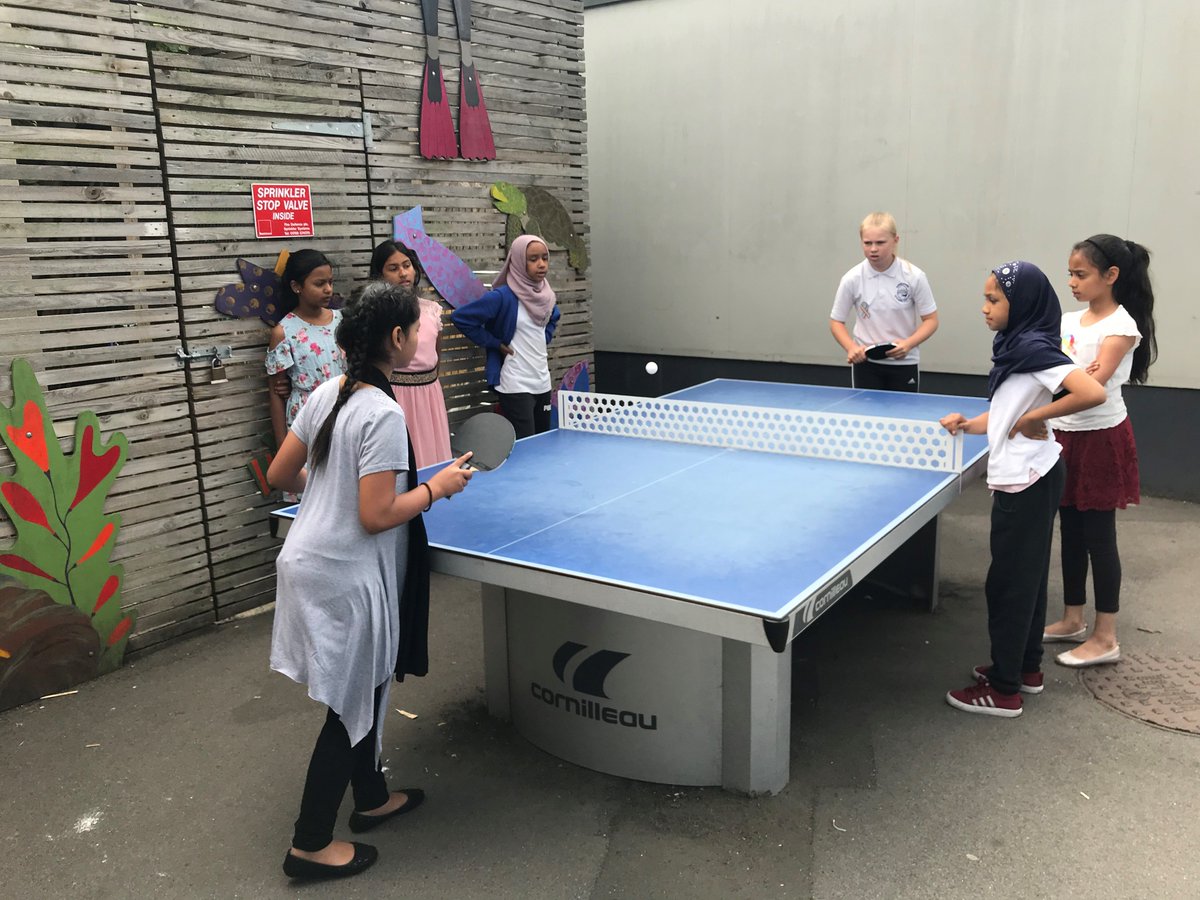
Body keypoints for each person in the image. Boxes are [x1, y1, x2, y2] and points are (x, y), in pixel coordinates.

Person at [266, 282, 473, 880]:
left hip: (308, 559)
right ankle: (309, 845)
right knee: (349, 702)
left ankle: (373, 797)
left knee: (368, 689)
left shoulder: (331, 390)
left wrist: (331, 484)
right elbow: (377, 514)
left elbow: (283, 473)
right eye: (414, 326)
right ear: (398, 339)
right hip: (344, 576)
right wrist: (437, 488)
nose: (418, 335)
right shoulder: (382, 411)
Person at [939, 261, 1105, 717]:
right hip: (1034, 473)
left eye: (994, 300)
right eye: (985, 298)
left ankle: (1004, 689)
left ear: (1023, 303)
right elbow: (1010, 409)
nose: (984, 309)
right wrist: (971, 425)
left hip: (1027, 480)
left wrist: (1035, 419)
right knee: (1025, 578)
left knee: (1009, 585)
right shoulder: (1018, 346)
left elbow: (1092, 393)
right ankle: (1026, 669)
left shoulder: (1034, 349)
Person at [1042, 235, 1158, 667]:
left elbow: (1092, 389)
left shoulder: (1122, 327)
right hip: (1064, 435)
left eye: (1081, 274)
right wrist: (1073, 375)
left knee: (1098, 537)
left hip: (1102, 438)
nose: (1071, 282)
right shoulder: (1068, 321)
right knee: (1069, 530)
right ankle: (1073, 618)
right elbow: (1060, 375)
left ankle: (1105, 635)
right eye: (1069, 273)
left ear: (1111, 276)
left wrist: (1069, 376)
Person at [451, 235, 561, 438]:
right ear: (518, 261)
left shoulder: (546, 296)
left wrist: (543, 337)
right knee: (525, 446)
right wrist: (495, 343)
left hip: (542, 381)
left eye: (545, 258)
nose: (541, 264)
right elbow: (462, 318)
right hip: (515, 383)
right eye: (533, 259)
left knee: (543, 443)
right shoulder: (503, 297)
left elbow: (554, 316)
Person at [830, 212, 939, 391]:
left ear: (895, 240)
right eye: (867, 243)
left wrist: (908, 344)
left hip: (904, 363)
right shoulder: (852, 278)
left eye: (880, 243)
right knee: (866, 417)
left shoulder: (914, 277)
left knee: (903, 417)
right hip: (866, 365)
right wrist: (851, 348)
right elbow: (836, 322)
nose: (873, 249)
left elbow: (932, 320)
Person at [369, 239, 453, 468]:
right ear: (379, 274)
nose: (403, 273)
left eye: (407, 265)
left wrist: (430, 385)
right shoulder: (377, 313)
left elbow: (437, 354)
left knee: (435, 459)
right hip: (395, 396)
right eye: (393, 268)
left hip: (430, 395)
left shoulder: (431, 310)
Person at [265, 249, 347, 451]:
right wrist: (282, 445)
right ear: (296, 286)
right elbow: (275, 392)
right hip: (306, 419)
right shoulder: (283, 332)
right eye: (319, 284)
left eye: (330, 282)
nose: (328, 289)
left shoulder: (343, 321)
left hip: (345, 413)